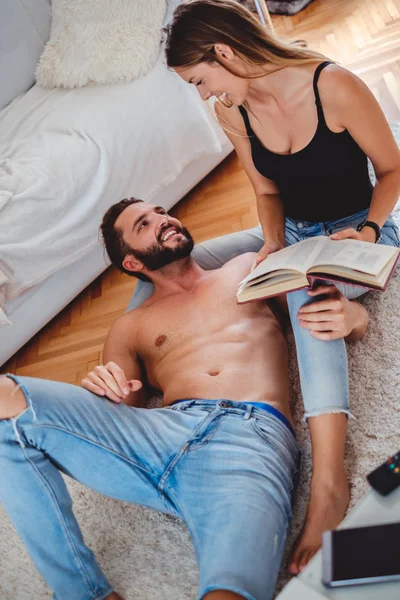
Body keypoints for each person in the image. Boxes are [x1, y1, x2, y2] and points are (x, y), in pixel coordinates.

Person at [0, 199, 366, 600]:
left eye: (161, 211)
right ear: (133, 264)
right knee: (7, 407)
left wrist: (355, 318)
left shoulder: (245, 267)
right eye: (145, 223)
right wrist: (104, 387)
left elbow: (315, 318)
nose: (164, 219)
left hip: (248, 440)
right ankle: (83, 592)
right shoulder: (129, 327)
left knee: (229, 593)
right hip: (161, 432)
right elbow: (120, 412)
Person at [144, 0, 400, 573]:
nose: (204, 95)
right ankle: (136, 363)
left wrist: (366, 231)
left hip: (361, 227)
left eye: (200, 81)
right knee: (187, 260)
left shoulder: (332, 86)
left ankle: (329, 484)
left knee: (309, 300)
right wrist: (271, 243)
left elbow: (393, 171)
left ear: (224, 53)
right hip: (300, 232)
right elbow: (266, 191)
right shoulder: (234, 112)